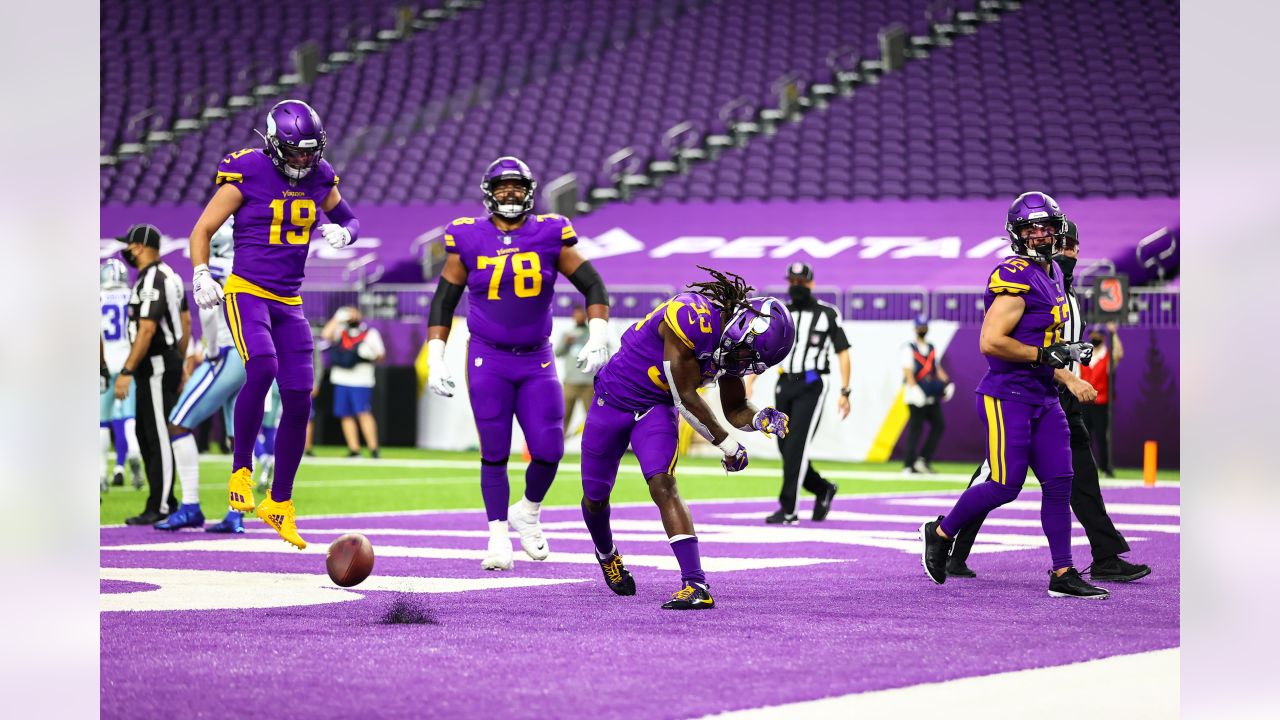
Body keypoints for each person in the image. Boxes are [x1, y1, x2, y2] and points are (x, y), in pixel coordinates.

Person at [918, 192, 1109, 599]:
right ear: (1017, 234)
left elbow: (1044, 345)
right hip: (1009, 395)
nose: (1039, 236)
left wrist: (1067, 374)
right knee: (1006, 485)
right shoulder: (1014, 273)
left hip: (1044, 395)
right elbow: (991, 341)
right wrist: (1045, 355)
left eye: (1045, 228)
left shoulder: (1054, 273)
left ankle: (1062, 573)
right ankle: (939, 532)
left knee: (1060, 483)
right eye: (1030, 229)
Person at [188, 99, 359, 550]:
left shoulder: (322, 177)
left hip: (289, 300)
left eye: (309, 151)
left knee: (301, 398)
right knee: (261, 366)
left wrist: (347, 232)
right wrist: (201, 272)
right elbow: (201, 230)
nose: (304, 160)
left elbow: (349, 218)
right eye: (295, 151)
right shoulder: (248, 170)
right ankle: (240, 469)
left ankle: (279, 502)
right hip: (247, 290)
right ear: (273, 144)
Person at [426, 156, 612, 571]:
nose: (509, 193)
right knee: (494, 451)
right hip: (486, 355)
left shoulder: (549, 232)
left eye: (516, 186)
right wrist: (436, 357)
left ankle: (527, 511)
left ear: (529, 191)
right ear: (489, 193)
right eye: (501, 186)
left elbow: (592, 283)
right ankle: (496, 537)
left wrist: (599, 334)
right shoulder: (468, 237)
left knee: (549, 449)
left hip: (536, 357)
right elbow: (444, 300)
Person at [946, 222, 1150, 582]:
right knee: (998, 480)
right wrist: (1068, 375)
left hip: (1056, 400)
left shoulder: (1066, 293)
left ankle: (1097, 557)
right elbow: (1004, 344)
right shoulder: (1024, 282)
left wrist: (1075, 358)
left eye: (1073, 246)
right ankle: (948, 544)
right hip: (1022, 397)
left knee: (1073, 480)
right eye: (1065, 245)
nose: (1069, 253)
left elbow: (1057, 349)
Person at [581, 268, 795, 610]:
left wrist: (758, 418)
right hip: (613, 402)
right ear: (742, 327)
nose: (745, 363)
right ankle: (606, 554)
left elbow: (736, 405)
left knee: (664, 484)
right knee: (594, 497)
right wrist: (727, 445)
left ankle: (695, 584)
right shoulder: (691, 315)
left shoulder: (730, 347)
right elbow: (686, 396)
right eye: (748, 355)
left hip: (654, 407)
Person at [154, 220, 248, 532]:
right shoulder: (251, 267)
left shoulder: (216, 269)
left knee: (178, 423)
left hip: (225, 351)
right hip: (251, 354)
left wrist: (209, 351)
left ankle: (191, 505)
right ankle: (236, 512)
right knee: (238, 436)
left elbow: (209, 312)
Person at [748, 262, 850, 525]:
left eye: (800, 282)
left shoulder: (827, 313)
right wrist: (751, 380)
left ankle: (789, 509)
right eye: (791, 281)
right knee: (785, 445)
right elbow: (766, 348)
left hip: (813, 384)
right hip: (785, 383)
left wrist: (845, 391)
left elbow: (842, 351)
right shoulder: (783, 313)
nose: (796, 286)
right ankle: (821, 488)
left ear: (811, 283)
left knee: (797, 446)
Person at [115, 224, 191, 526]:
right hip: (163, 362)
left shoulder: (154, 278)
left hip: (157, 362)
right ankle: (163, 500)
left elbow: (147, 329)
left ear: (141, 246)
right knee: (145, 433)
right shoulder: (168, 275)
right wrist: (181, 361)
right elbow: (185, 322)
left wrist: (126, 370)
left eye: (130, 245)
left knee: (158, 435)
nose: (127, 250)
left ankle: (161, 504)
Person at [99, 259, 144, 491]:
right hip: (128, 362)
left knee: (101, 421)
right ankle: (135, 453)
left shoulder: (97, 298)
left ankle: (100, 474)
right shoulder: (131, 295)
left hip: (104, 361)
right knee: (129, 416)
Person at [322, 306, 385, 458]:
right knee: (345, 414)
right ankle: (354, 449)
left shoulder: (370, 333)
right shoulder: (340, 330)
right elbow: (326, 335)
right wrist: (338, 317)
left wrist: (369, 354)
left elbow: (381, 355)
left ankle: (373, 449)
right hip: (341, 378)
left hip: (361, 380)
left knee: (363, 412)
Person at [902, 315, 953, 475]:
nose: (922, 329)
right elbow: (908, 371)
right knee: (915, 429)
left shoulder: (931, 347)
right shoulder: (908, 348)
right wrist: (914, 389)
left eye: (924, 326)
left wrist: (947, 383)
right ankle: (909, 464)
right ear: (915, 328)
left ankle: (923, 460)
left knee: (939, 425)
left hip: (930, 394)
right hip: (916, 396)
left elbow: (936, 368)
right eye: (920, 327)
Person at [1079, 321, 1123, 477]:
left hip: (1100, 402)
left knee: (1101, 436)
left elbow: (1118, 353)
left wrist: (1114, 333)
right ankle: (1085, 468)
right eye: (1093, 335)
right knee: (1083, 437)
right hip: (1083, 401)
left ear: (1103, 338)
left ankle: (1105, 467)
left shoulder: (1107, 356)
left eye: (1098, 335)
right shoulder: (1085, 354)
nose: (1094, 337)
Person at [556, 305, 598, 435]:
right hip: (570, 382)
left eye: (582, 314)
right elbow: (557, 353)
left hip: (588, 383)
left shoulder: (594, 335)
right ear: (573, 316)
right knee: (563, 417)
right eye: (577, 314)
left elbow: (602, 354)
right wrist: (566, 342)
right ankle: (557, 447)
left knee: (594, 419)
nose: (579, 317)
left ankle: (594, 447)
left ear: (586, 316)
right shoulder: (567, 334)